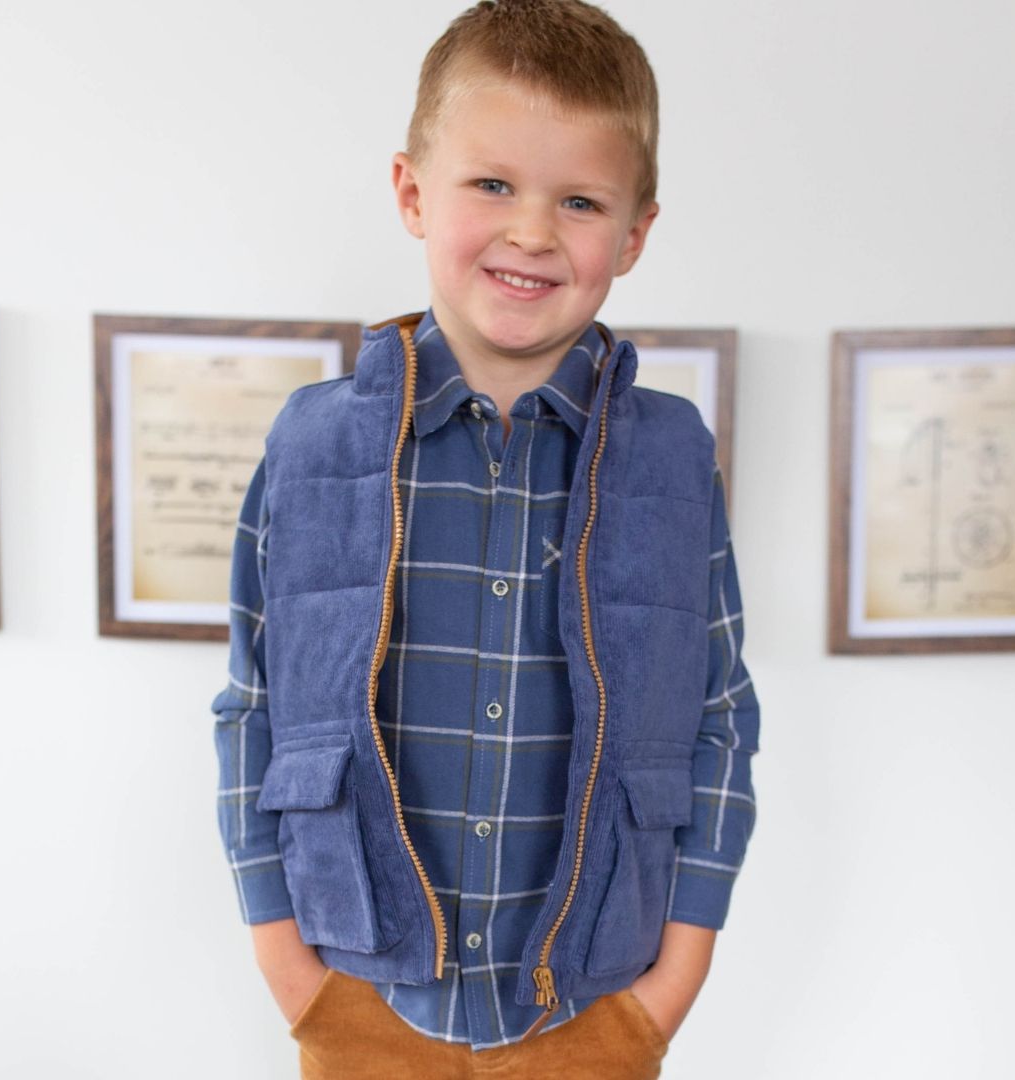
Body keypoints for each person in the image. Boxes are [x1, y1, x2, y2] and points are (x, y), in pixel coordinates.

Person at [212, 2, 760, 1077]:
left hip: (597, 1009)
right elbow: (253, 707)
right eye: (493, 184)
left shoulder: (672, 454)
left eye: (582, 200)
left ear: (637, 233)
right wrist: (299, 980)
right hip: (360, 997)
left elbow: (720, 716)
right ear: (414, 191)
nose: (533, 232)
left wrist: (670, 990)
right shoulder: (313, 440)